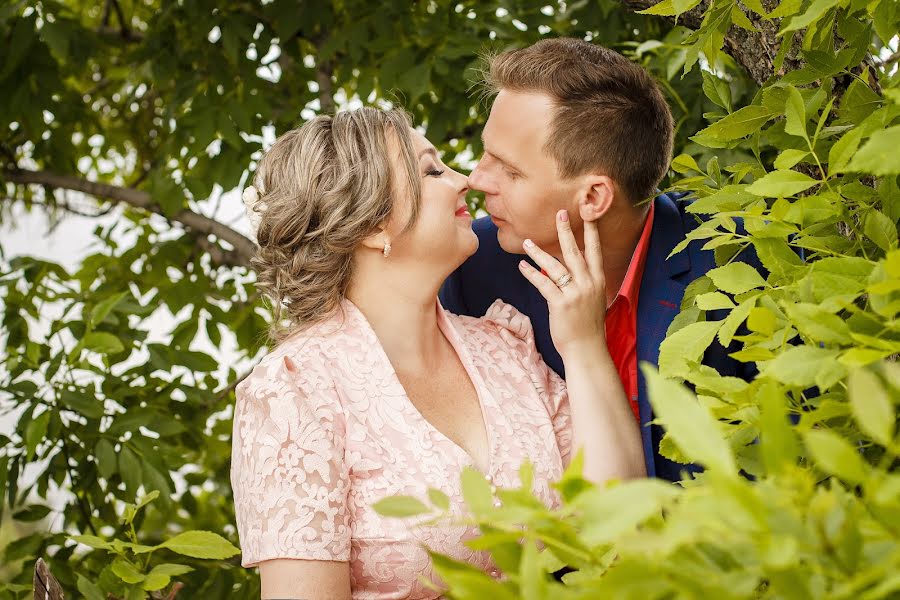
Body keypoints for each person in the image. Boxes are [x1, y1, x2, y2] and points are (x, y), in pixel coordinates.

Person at [230, 107, 644, 599]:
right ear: (372, 225)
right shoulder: (294, 390)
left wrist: (582, 345)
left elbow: (620, 528)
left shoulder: (506, 348)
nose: (465, 179)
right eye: (431, 170)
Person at [441, 38, 759, 482]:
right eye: (486, 153)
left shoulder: (739, 260)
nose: (477, 179)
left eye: (510, 171)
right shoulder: (471, 267)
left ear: (593, 197)